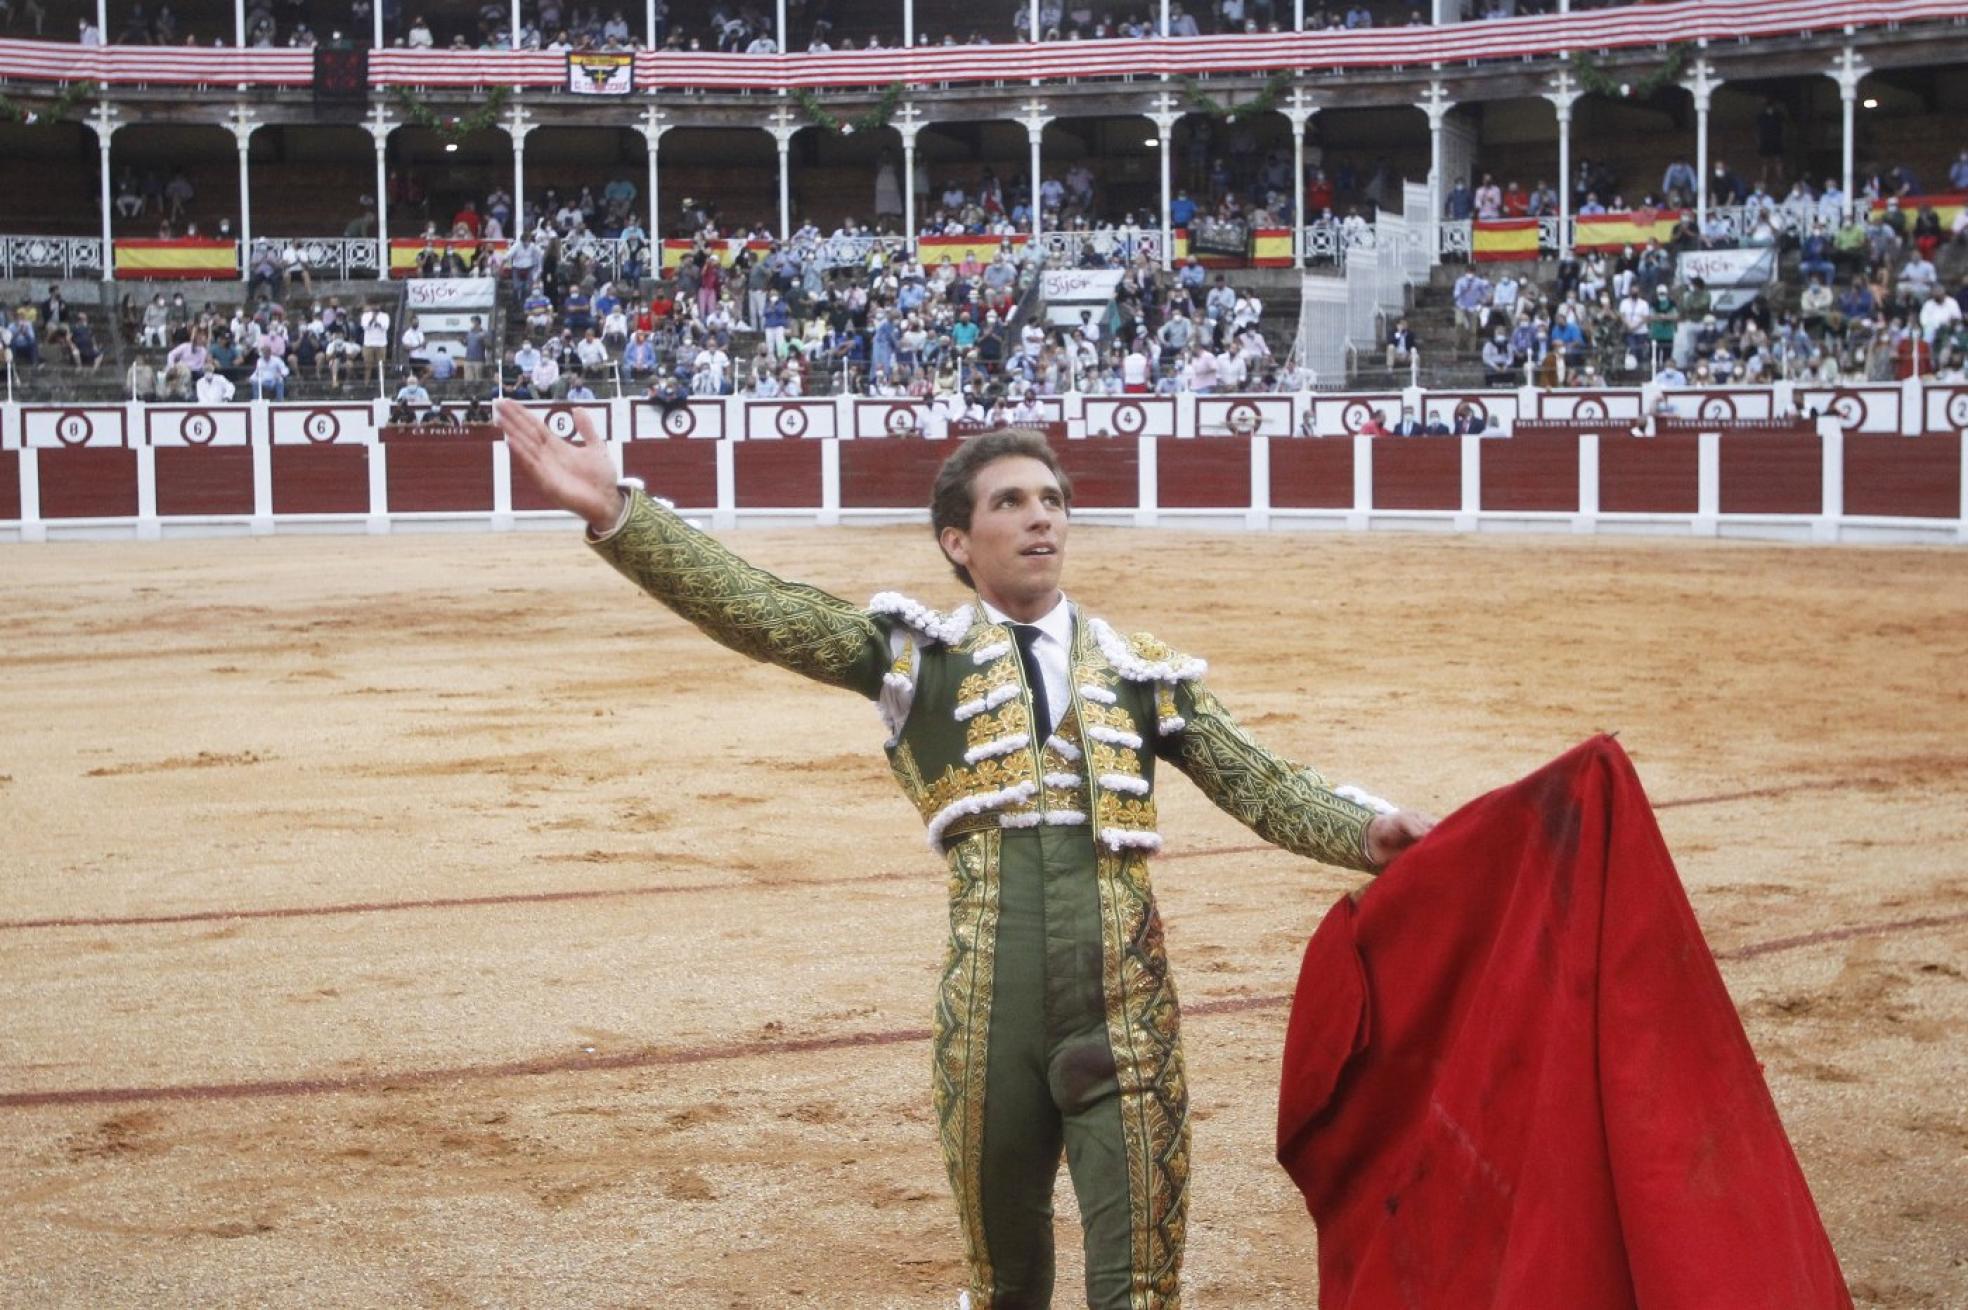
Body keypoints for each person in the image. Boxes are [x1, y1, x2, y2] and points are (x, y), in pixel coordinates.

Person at [490, 412, 1433, 1309]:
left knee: (1142, 1290)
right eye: (1011, 502)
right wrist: (619, 514)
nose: (1041, 518)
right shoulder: (917, 657)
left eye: (1052, 500)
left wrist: (1367, 833)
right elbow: (762, 610)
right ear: (956, 541)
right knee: (1005, 1287)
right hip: (989, 1023)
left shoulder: (1140, 670)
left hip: (1129, 1020)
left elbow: (1260, 781)